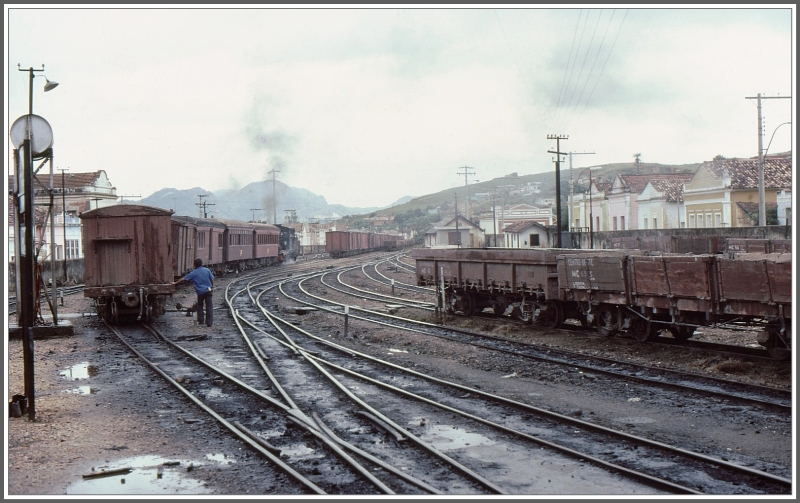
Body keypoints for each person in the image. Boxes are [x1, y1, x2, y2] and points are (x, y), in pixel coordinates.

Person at [173, 258, 214, 327]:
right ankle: (209, 323)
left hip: (200, 292)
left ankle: (201, 320)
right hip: (208, 290)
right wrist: (212, 286)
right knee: (209, 306)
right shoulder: (207, 270)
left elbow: (184, 278)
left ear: (195, 265)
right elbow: (212, 279)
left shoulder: (194, 273)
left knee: (200, 305)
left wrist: (175, 282)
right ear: (202, 263)